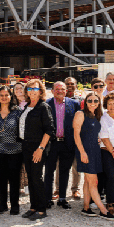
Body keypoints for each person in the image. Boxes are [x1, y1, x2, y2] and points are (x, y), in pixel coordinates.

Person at [73, 94, 114, 220]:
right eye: (90, 100)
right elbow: (76, 135)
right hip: (85, 152)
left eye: (96, 100)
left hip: (95, 151)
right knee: (93, 181)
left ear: (99, 102)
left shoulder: (97, 116)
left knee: (88, 181)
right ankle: (103, 210)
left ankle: (86, 208)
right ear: (85, 102)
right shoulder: (80, 114)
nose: (93, 102)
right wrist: (82, 152)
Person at [17, 79, 55, 221]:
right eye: (30, 89)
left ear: (40, 91)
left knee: (37, 178)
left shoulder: (43, 107)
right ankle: (33, 207)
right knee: (31, 178)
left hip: (38, 147)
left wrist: (40, 148)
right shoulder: (27, 106)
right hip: (26, 146)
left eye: (35, 89)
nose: (32, 92)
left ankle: (42, 208)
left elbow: (50, 130)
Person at [0, 86, 24, 215]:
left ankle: (15, 205)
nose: (4, 97)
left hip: (15, 151)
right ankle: (2, 204)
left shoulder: (18, 112)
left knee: (14, 179)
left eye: (6, 95)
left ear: (11, 96)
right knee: (1, 178)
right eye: (1, 95)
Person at [44, 81, 80, 210]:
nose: (60, 91)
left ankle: (62, 198)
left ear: (66, 91)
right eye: (57, 89)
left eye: (63, 89)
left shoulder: (74, 104)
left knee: (65, 171)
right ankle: (47, 198)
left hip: (67, 143)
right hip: (51, 144)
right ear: (52, 90)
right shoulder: (46, 104)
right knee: (49, 172)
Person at [63, 77, 83, 200]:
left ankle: (75, 190)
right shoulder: (58, 99)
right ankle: (58, 190)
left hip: (77, 137)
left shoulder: (81, 101)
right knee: (62, 166)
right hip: (63, 138)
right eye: (67, 84)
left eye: (72, 84)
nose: (70, 86)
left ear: (76, 85)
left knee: (77, 166)